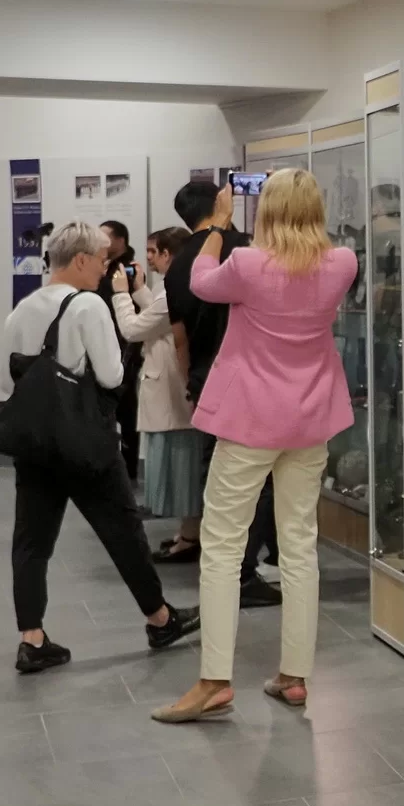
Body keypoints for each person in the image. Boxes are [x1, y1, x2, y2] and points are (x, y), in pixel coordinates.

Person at [154, 171, 357, 722]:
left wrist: (219, 225)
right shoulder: (342, 263)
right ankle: (295, 675)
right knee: (299, 544)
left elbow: (198, 280)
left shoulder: (246, 265)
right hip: (310, 420)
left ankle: (214, 680)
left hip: (249, 422)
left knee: (222, 546)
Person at [3, 221, 200, 673]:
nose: (105, 268)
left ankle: (32, 638)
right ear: (80, 260)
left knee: (31, 541)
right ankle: (160, 619)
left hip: (34, 442)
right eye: (100, 259)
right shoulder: (87, 305)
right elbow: (111, 375)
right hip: (84, 440)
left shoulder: (21, 310)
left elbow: (7, 376)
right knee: (122, 531)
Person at [166, 179, 281, 607]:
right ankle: (243, 572)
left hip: (206, 380)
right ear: (220, 202)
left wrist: (191, 384)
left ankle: (221, 566)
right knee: (259, 480)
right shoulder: (246, 249)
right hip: (252, 380)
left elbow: (180, 339)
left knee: (216, 478)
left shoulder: (178, 265)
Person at [110, 227, 198, 562]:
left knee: (182, 470)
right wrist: (140, 290)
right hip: (172, 390)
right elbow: (161, 317)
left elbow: (133, 328)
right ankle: (188, 533)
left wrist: (121, 295)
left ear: (167, 254)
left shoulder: (173, 290)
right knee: (183, 468)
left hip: (172, 393)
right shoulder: (174, 286)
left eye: (152, 252)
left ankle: (190, 537)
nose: (147, 259)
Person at [99, 219, 142, 482]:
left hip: (125, 349)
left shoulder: (127, 269)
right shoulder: (101, 266)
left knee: (125, 411)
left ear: (120, 240)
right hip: (102, 344)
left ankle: (128, 470)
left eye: (105, 237)